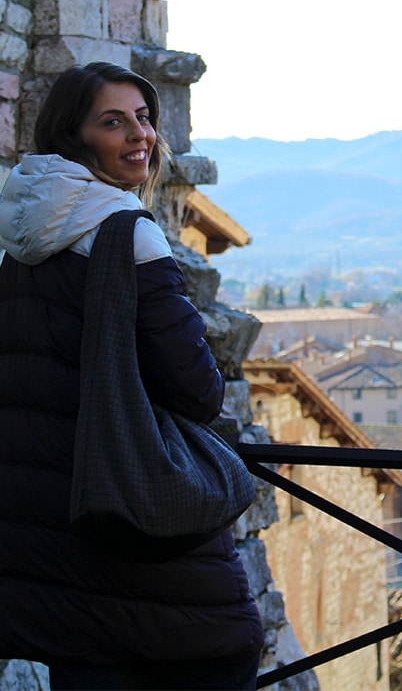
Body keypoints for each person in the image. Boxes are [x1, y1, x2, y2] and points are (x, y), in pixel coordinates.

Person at [0, 62, 263, 690]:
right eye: (113, 122)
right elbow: (196, 391)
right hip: (128, 513)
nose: (139, 134)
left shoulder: (18, 244)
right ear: (75, 137)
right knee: (225, 648)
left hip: (45, 523)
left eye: (144, 117)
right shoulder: (128, 234)